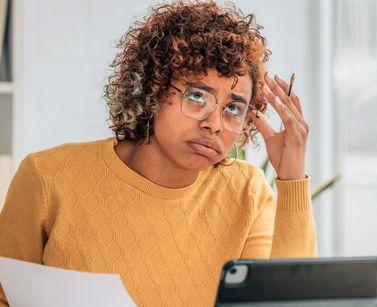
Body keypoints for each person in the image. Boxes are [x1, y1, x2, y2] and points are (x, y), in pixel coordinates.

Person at [0, 1, 318, 306]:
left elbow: (290, 301)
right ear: (153, 89)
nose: (215, 124)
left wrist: (291, 178)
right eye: (196, 96)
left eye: (233, 108)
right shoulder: (48, 177)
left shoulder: (246, 191)